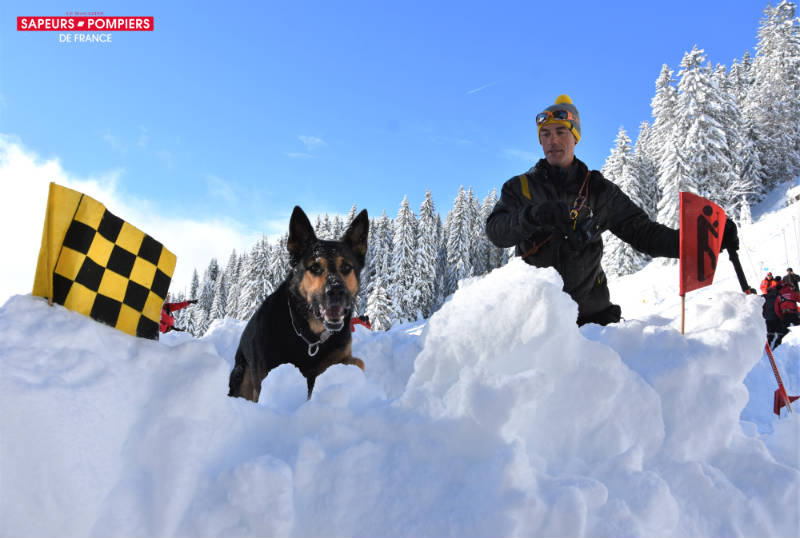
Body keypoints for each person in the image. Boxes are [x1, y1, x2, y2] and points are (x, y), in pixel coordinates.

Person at [485, 94, 738, 326]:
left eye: (561, 131)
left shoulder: (600, 191)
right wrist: (533, 216)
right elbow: (497, 232)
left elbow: (645, 234)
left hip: (594, 322)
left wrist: (704, 241)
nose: (553, 141)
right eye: (546, 134)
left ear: (575, 137)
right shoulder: (521, 188)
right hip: (537, 324)